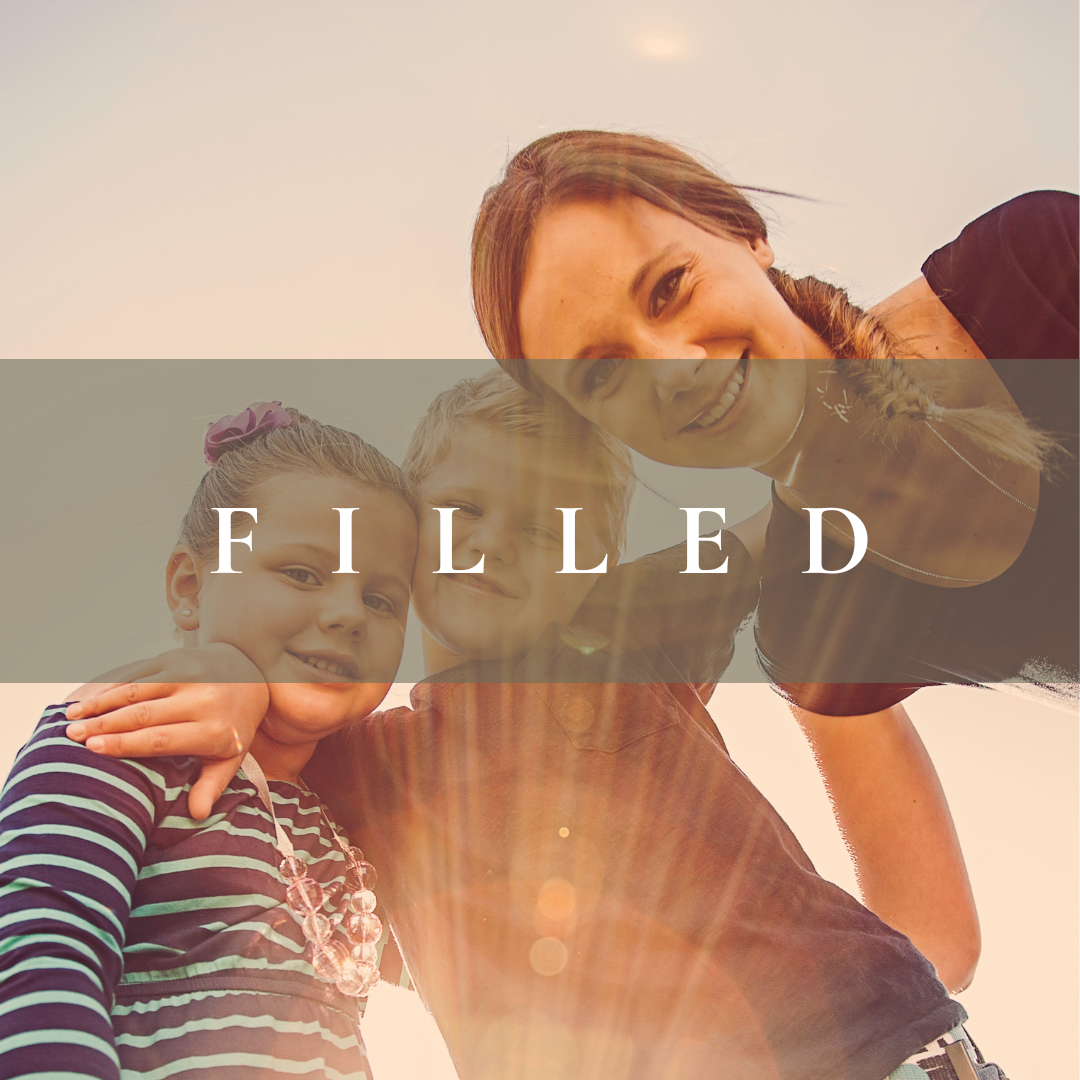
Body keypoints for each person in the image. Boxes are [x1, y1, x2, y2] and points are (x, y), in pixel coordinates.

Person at [65, 372, 999, 1080]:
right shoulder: (361, 767)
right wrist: (230, 675)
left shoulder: (623, 630)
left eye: (546, 531)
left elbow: (791, 519)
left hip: (866, 1053)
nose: (493, 543)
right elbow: (251, 735)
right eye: (462, 508)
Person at [472, 129, 1079, 717]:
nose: (674, 370)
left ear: (745, 233)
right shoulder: (816, 641)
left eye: (669, 288)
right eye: (601, 375)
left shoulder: (1037, 264)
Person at [0, 404, 418, 1079]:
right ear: (189, 587)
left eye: (381, 600)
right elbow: (40, 950)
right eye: (303, 573)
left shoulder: (344, 808)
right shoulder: (113, 738)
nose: (346, 614)